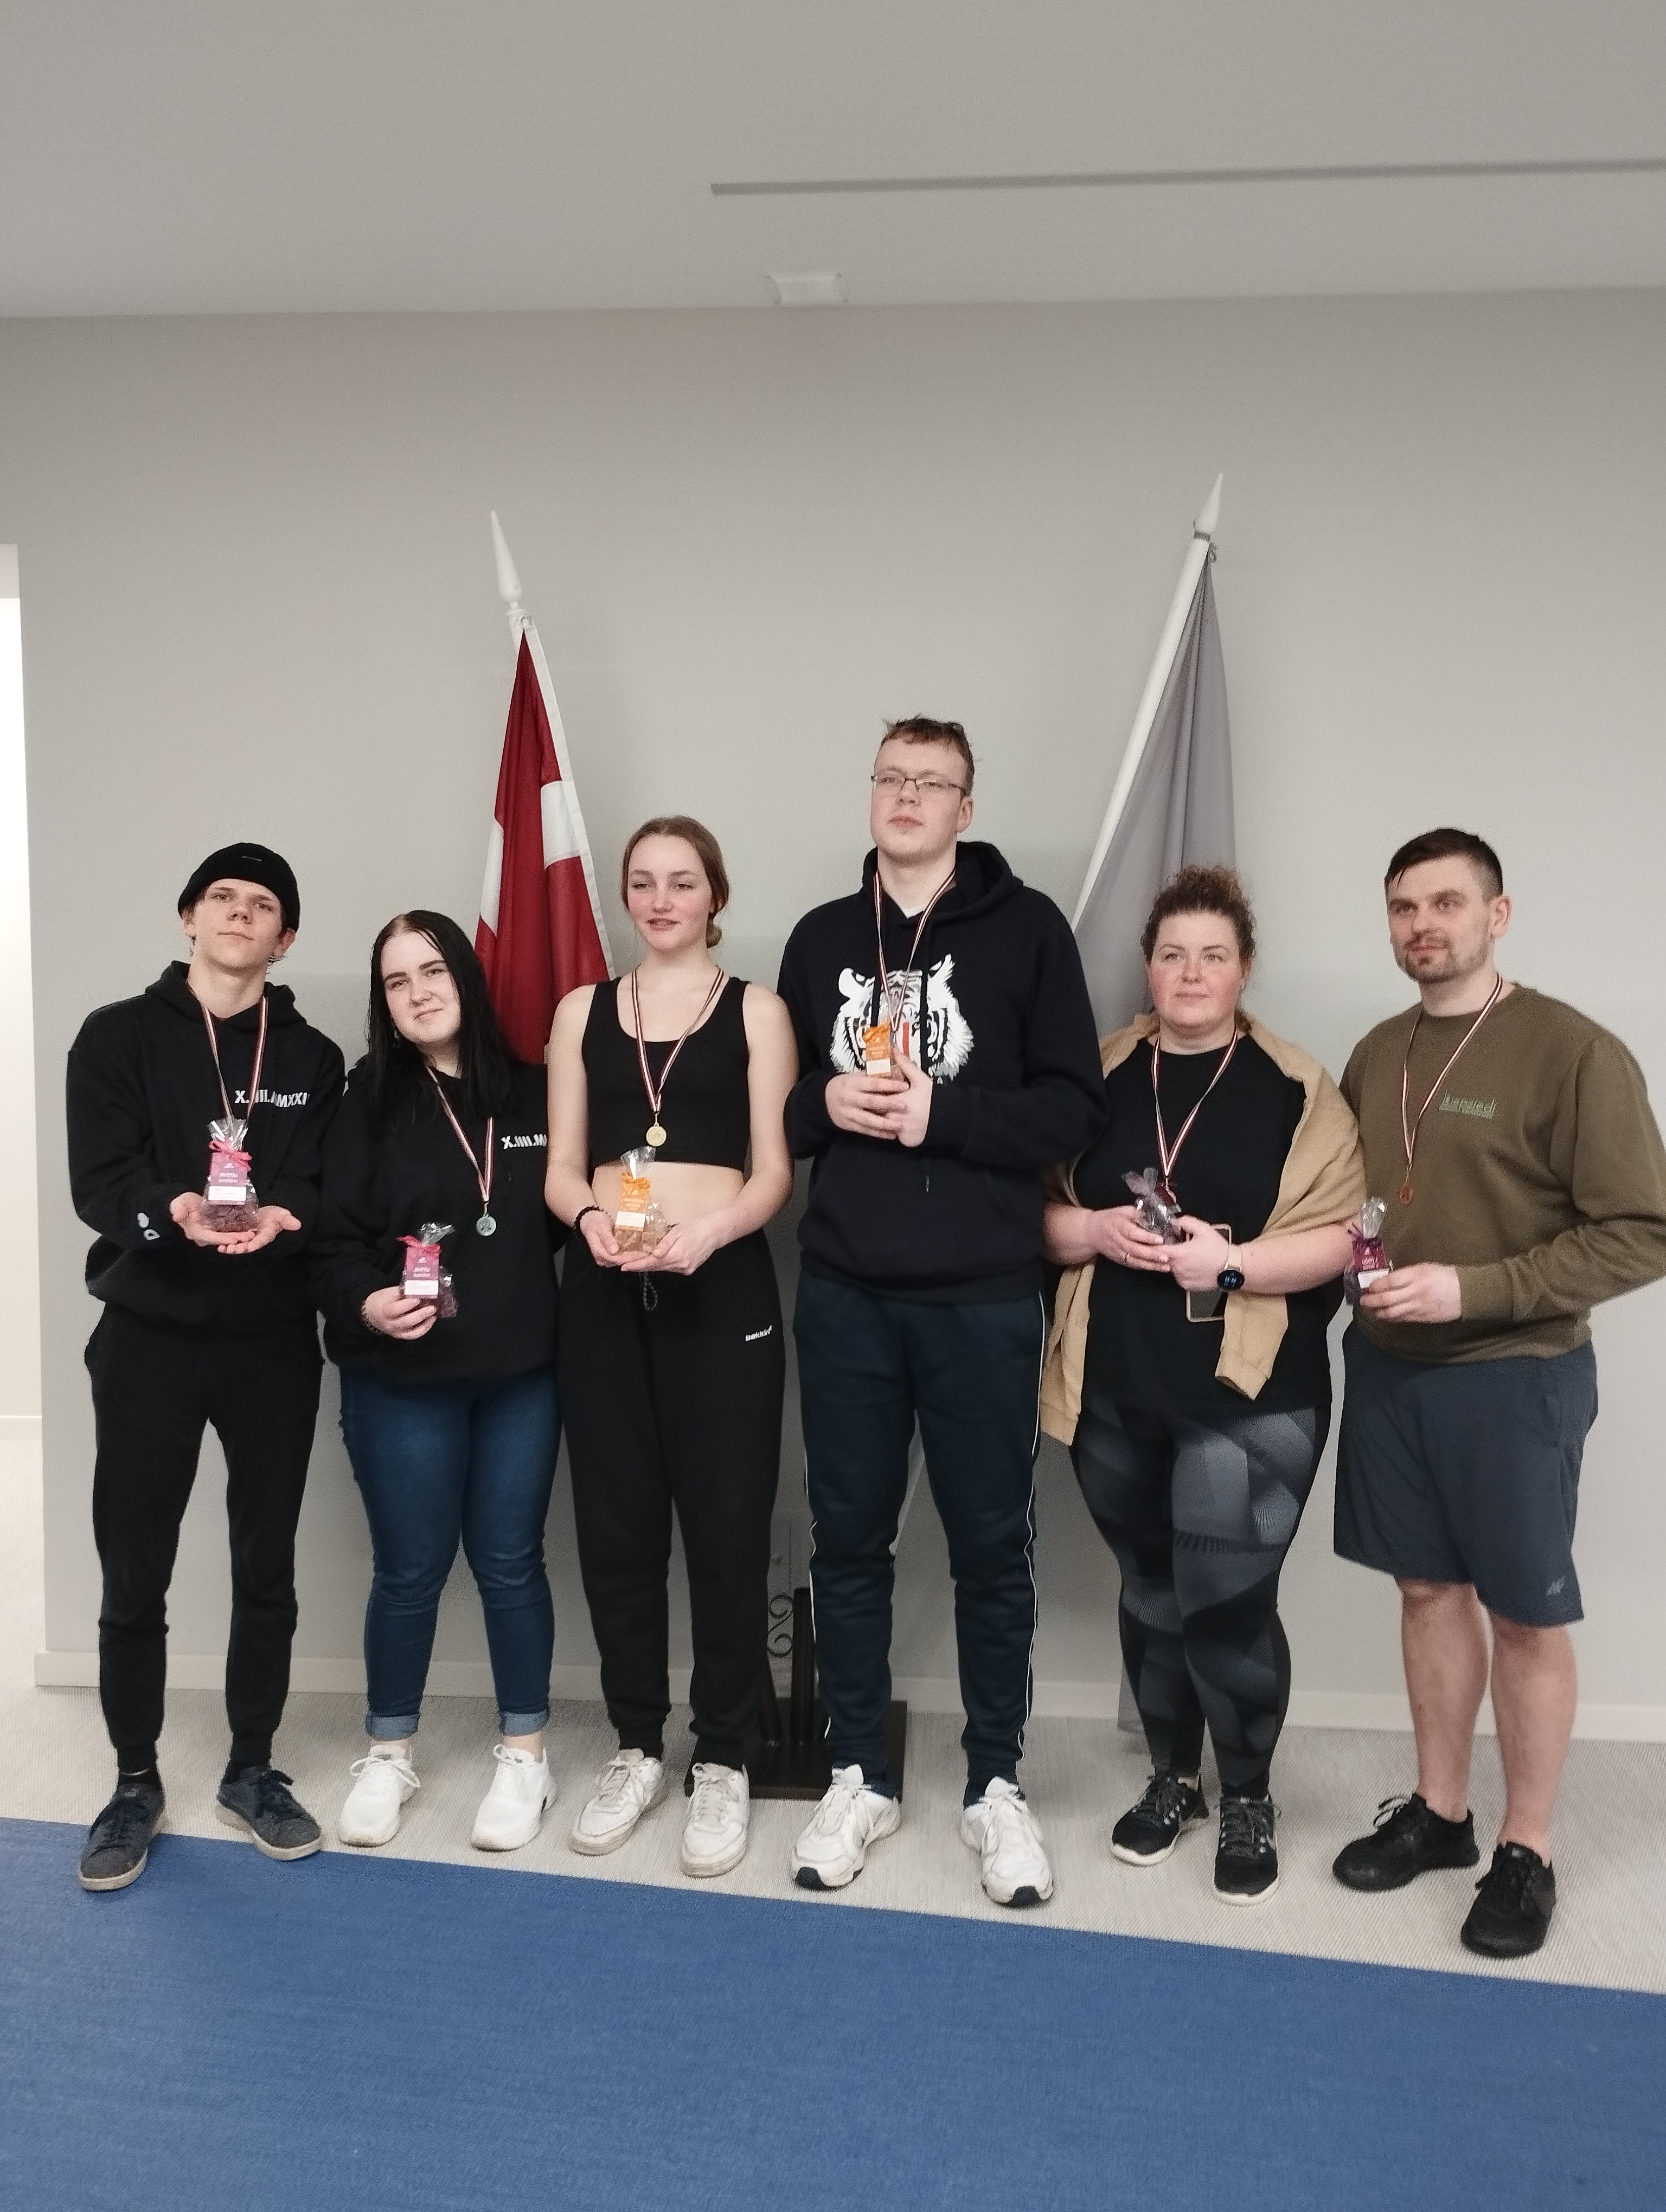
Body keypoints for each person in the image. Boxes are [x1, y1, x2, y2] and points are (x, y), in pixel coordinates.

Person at [777, 717, 1107, 1907]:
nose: (908, 796)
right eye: (892, 777)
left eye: (933, 783)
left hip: (982, 1297)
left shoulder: (1029, 930)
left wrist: (945, 1117)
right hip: (846, 1294)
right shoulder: (820, 939)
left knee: (991, 1553)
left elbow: (1075, 1108)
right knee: (848, 1545)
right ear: (871, 794)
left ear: (967, 809)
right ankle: (857, 1776)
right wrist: (826, 1103)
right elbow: (775, 1116)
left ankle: (996, 1786)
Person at [1331, 828, 1666, 1957]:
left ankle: (1528, 1847)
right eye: (1404, 908)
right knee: (1427, 1591)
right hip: (1390, 1369)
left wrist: (1478, 1289)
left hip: (1515, 1375)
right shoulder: (1378, 1051)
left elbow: (1643, 1230)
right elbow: (1357, 1202)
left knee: (1524, 1611)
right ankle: (1441, 1814)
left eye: (1446, 903)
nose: (1422, 925)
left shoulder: (1573, 1052)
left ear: (1497, 915)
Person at [1039, 864, 1364, 1903]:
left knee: (1226, 1603)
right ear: (1149, 966)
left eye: (1212, 956)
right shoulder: (1095, 1075)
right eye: (1173, 954)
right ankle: (1173, 1778)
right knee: (1150, 1591)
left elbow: (1342, 1239)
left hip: (1251, 1396)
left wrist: (1231, 1265)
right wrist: (1094, 1229)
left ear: (1244, 969)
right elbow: (1032, 1218)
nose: (1190, 973)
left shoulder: (1297, 1089)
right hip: (1116, 1385)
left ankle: (1250, 1796)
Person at [66, 845, 344, 1890]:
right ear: (189, 916)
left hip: (270, 1340)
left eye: (262, 904)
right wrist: (173, 1209)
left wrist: (282, 1215)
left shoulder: (314, 1057)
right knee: (135, 1566)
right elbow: (101, 1181)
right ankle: (134, 1779)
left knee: (265, 1565)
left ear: (285, 938)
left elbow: (323, 1183)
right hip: (151, 1336)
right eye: (222, 897)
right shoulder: (116, 1036)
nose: (239, 913)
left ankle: (252, 1768)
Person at [546, 817, 796, 1879]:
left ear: (714, 896)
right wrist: (589, 1222)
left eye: (682, 883)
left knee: (728, 1529)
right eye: (643, 883)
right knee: (617, 1530)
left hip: (721, 1285)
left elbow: (775, 1172)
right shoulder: (582, 1011)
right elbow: (562, 1168)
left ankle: (724, 1755)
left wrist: (712, 1233)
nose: (660, 900)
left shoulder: (758, 1012)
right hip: (605, 1293)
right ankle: (639, 1744)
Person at [310, 911, 561, 1853]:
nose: (417, 993)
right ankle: (389, 1753)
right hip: (403, 1378)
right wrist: (368, 1304)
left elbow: (578, 1208)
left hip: (520, 1379)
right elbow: (331, 1247)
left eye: (433, 971)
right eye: (396, 981)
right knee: (411, 1572)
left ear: (466, 976)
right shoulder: (364, 1102)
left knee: (510, 1563)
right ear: (384, 1003)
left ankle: (526, 1756)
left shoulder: (537, 1091)